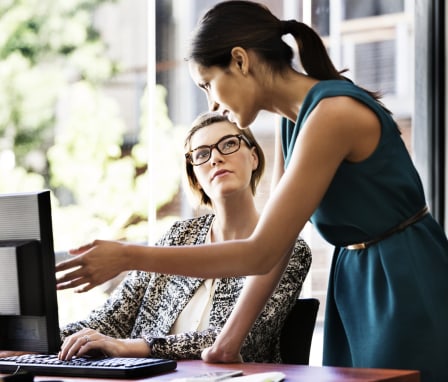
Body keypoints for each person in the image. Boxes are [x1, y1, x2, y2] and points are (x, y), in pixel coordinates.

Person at [55, 1, 448, 381]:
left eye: (209, 84)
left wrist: (128, 255)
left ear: (240, 61)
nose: (213, 103)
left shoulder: (332, 114)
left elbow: (259, 252)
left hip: (401, 277)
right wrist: (228, 342)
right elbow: (277, 243)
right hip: (356, 280)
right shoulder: (294, 122)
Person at [56, 111, 311, 362]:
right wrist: (33, 344)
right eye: (202, 154)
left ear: (254, 157)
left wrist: (134, 347)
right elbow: (110, 319)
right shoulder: (178, 236)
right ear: (195, 178)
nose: (216, 158)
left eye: (229, 144)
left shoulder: (289, 249)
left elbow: (242, 341)